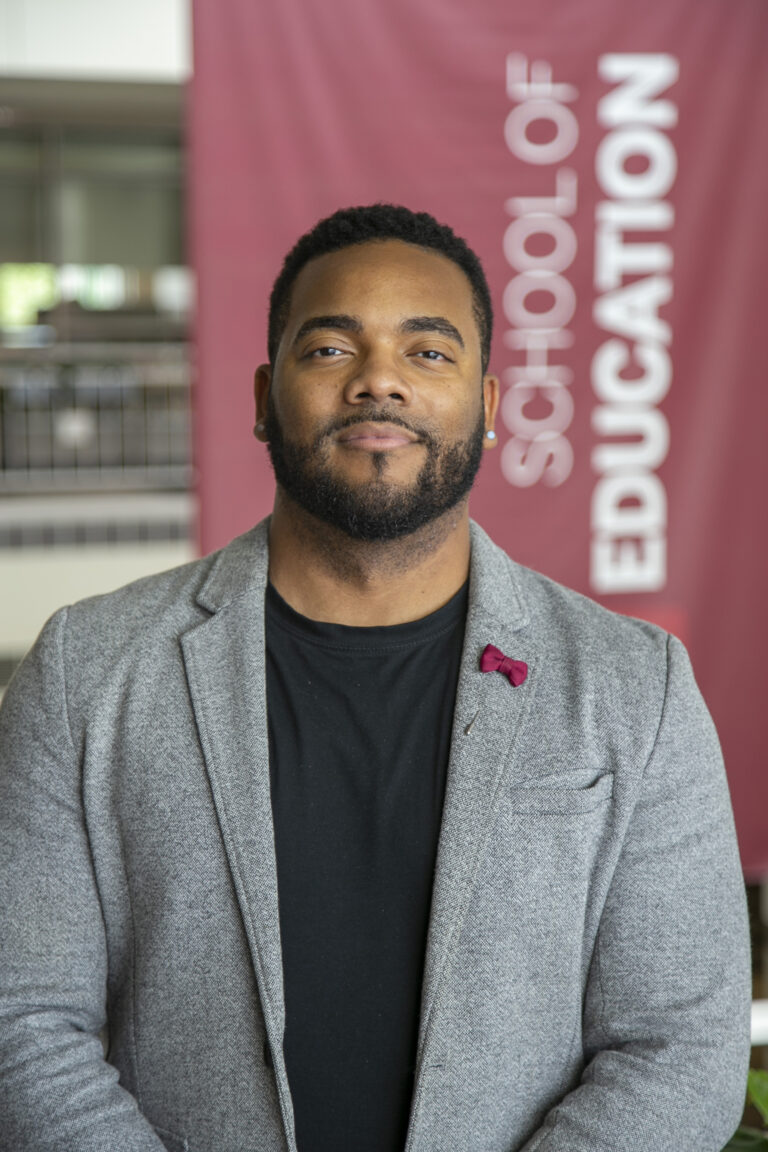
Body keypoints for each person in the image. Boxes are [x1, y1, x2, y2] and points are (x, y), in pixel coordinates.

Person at [0, 204, 751, 1152]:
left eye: (429, 353)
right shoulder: (86, 671)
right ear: (267, 396)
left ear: (487, 406)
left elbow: (678, 1047)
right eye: (329, 350)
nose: (379, 382)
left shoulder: (635, 688)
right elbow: (21, 1023)